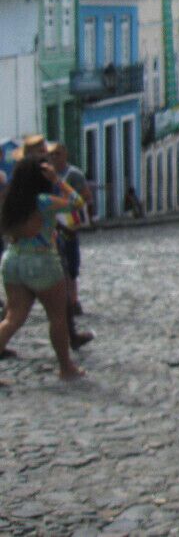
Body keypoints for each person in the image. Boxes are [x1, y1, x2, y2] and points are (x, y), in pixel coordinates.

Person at [0, 156, 87, 379]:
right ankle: (66, 368)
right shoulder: (43, 201)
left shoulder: (10, 202)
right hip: (42, 260)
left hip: (13, 259)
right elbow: (77, 202)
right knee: (57, 316)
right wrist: (58, 180)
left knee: (12, 318)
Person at [48, 144, 92, 317]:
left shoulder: (73, 174)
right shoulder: (46, 175)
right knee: (57, 265)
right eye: (50, 154)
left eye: (57, 154)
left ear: (65, 154)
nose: (53, 158)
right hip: (51, 226)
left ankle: (73, 301)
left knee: (71, 264)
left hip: (69, 224)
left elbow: (86, 196)